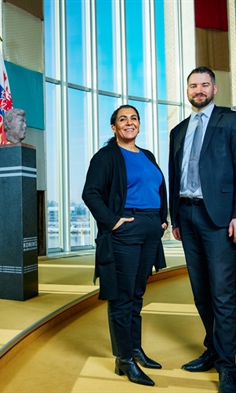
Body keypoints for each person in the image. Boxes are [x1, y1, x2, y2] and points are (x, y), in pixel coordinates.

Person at [168, 66, 236, 393]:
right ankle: (213, 348)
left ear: (215, 89)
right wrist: (175, 217)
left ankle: (228, 366)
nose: (199, 90)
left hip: (218, 218)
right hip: (187, 217)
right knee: (201, 292)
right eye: (193, 85)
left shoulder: (233, 121)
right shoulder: (178, 131)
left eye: (205, 84)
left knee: (222, 293)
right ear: (188, 90)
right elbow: (174, 175)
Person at [82, 105, 168, 387]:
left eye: (133, 118)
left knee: (138, 293)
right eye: (123, 119)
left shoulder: (148, 156)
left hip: (150, 229)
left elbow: (158, 189)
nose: (129, 123)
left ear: (139, 124)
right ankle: (124, 359)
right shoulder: (107, 156)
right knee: (122, 296)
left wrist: (163, 219)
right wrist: (112, 221)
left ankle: (134, 349)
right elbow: (90, 193)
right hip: (125, 230)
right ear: (114, 127)